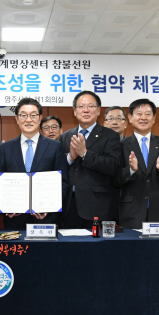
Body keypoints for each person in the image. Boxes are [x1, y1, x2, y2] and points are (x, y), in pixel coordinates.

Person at [0, 98, 69, 230]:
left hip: (46, 219)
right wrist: (8, 206)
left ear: (40, 118)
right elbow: (0, 181)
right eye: (23, 115)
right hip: (15, 219)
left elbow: (63, 182)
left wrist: (49, 207)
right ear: (17, 118)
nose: (28, 120)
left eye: (33, 115)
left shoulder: (55, 146)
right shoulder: (6, 148)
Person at [59, 91, 122, 228]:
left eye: (90, 106)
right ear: (75, 111)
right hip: (69, 206)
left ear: (98, 110)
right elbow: (58, 167)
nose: (86, 110)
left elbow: (113, 166)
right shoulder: (65, 136)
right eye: (81, 106)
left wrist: (85, 154)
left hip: (97, 206)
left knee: (96, 248)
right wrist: (70, 158)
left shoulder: (110, 136)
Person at [114, 99, 159, 229]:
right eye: (139, 114)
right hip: (131, 211)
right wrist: (131, 170)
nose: (143, 117)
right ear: (130, 118)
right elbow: (114, 179)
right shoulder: (120, 146)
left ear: (154, 118)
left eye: (148, 114)